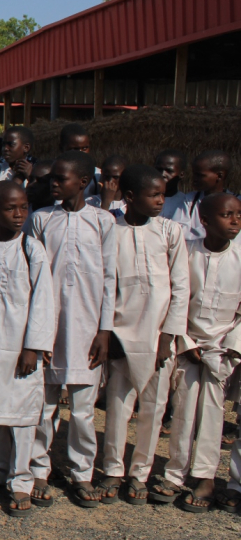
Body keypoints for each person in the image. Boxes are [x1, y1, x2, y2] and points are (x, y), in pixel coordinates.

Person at [27, 151, 116, 509]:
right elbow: (33, 280)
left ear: (82, 182)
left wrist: (104, 331)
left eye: (61, 179)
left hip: (87, 328)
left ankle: (82, 473)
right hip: (48, 326)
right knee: (44, 404)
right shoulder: (41, 220)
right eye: (52, 179)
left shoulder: (103, 221)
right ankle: (37, 470)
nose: (54, 184)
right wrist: (36, 334)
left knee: (81, 410)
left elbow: (110, 278)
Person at [98, 165, 188, 506]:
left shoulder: (170, 231)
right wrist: (107, 332)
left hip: (159, 334)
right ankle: (112, 469)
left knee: (154, 406)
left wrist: (169, 336)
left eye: (163, 194)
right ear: (131, 197)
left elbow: (181, 287)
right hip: (122, 331)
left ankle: (140, 474)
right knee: (118, 405)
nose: (161, 201)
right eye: (154, 195)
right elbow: (106, 284)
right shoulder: (112, 229)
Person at [0, 181, 55, 517]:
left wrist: (33, 347)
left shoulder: (31, 249)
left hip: (21, 349)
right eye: (9, 208)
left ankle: (21, 480)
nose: (18, 214)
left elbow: (44, 301)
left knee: (22, 417)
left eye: (23, 207)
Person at [158, 193, 241, 512]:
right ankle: (175, 474)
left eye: (238, 215)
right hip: (187, 346)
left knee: (212, 413)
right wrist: (188, 343)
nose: (234, 221)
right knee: (183, 410)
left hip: (223, 350)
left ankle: (205, 478)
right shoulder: (188, 253)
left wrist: (228, 348)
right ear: (204, 221)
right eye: (226, 215)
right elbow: (176, 298)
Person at [169, 150, 233, 241]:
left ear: (219, 176)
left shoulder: (236, 202)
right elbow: (177, 231)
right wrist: (216, 231)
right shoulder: (190, 200)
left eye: (200, 175)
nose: (194, 179)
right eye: (194, 174)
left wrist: (196, 232)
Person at [58, 123, 101, 196]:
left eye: (85, 148)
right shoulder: (53, 174)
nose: (81, 153)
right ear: (61, 148)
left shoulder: (97, 175)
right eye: (75, 149)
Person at [155, 149, 188, 221]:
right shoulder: (144, 200)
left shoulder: (185, 203)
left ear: (181, 174)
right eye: (158, 169)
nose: (162, 174)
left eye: (169, 171)